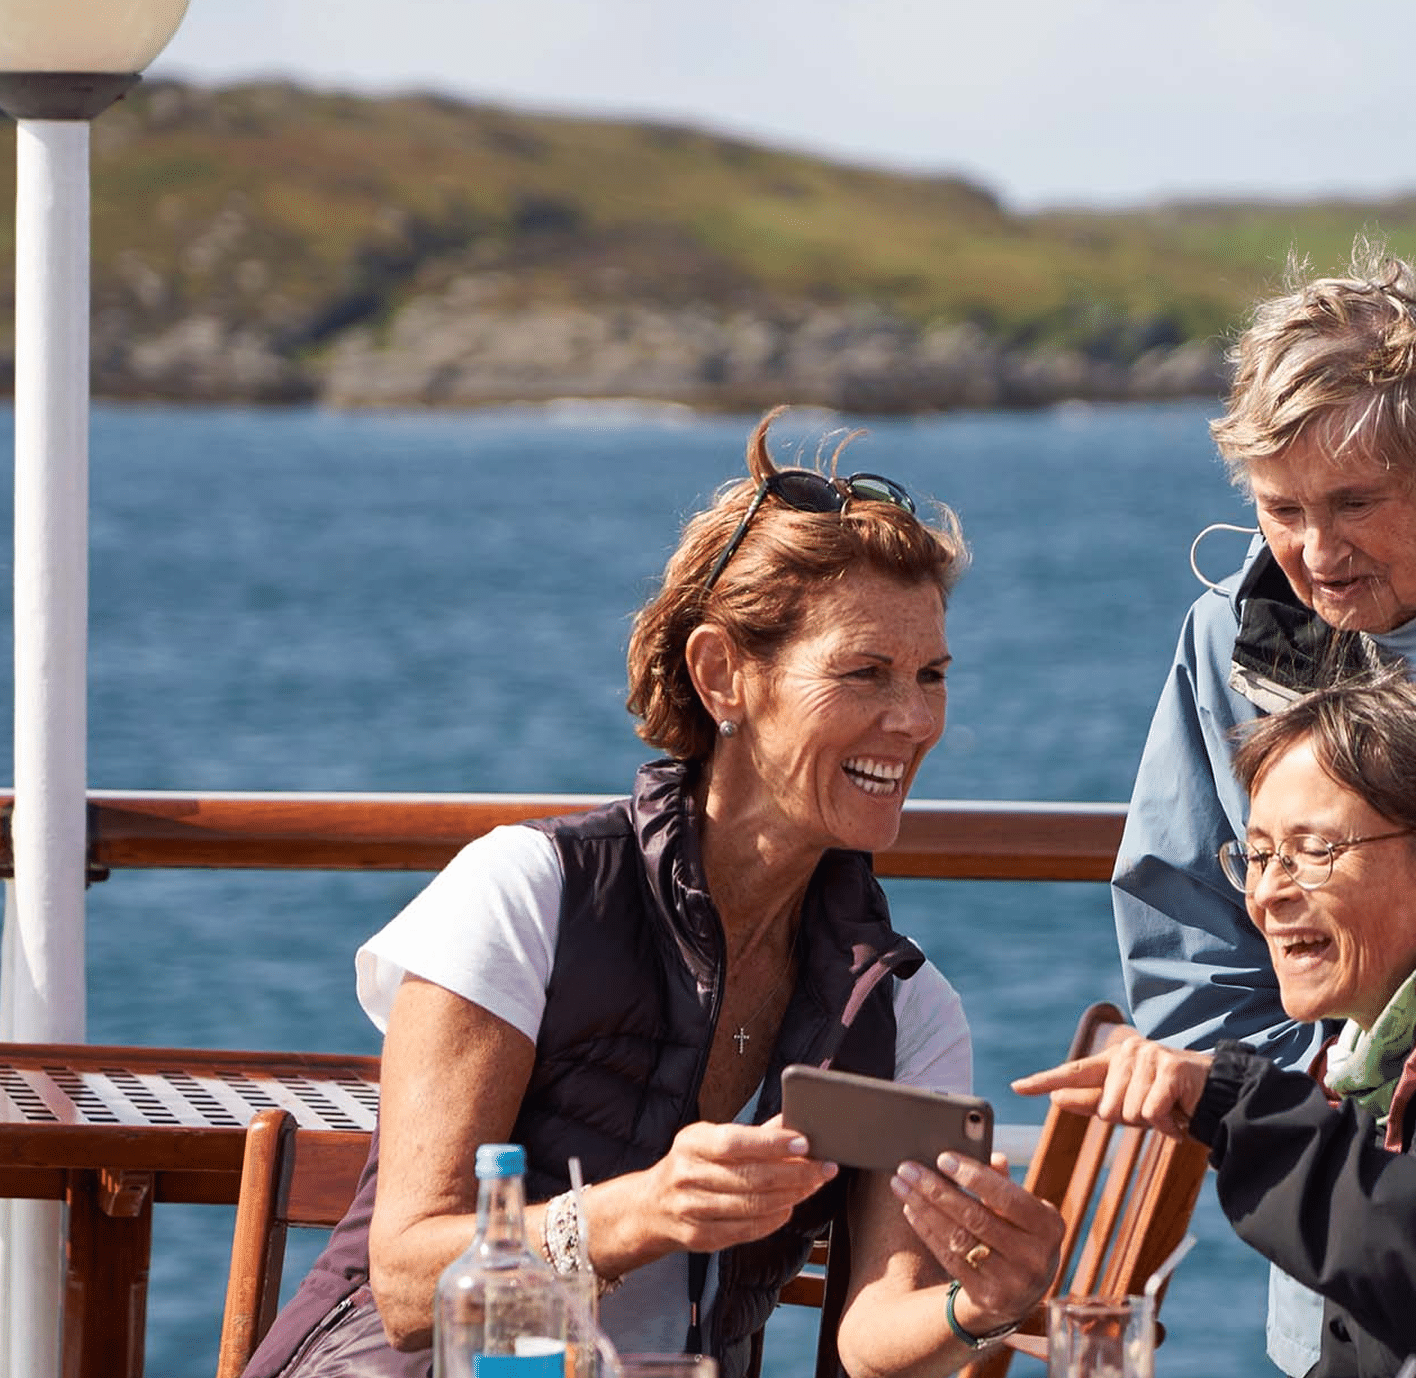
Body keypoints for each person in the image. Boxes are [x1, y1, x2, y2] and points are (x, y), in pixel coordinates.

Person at [244, 408, 1062, 1378]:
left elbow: (870, 1333)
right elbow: (409, 1285)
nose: (914, 719)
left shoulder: (903, 1011)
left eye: (931, 675)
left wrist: (981, 1306)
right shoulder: (528, 897)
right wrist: (644, 1210)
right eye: (865, 672)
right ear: (722, 674)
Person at [1110, 244, 1416, 1370]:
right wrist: (1331, 1127)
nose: (1317, 552)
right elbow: (1185, 942)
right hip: (1334, 1262)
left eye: (1355, 503)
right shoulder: (1224, 642)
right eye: (1281, 509)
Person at [1023, 671, 1416, 1378]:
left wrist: (1235, 1100)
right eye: (1259, 854)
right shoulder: (1367, 1071)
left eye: (1315, 851)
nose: (1266, 894)